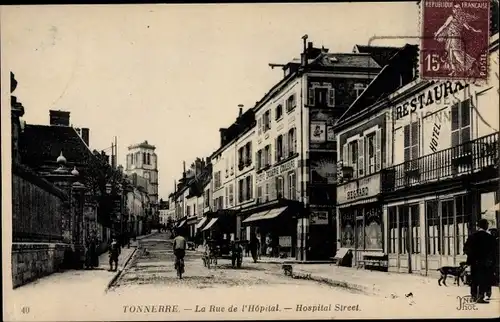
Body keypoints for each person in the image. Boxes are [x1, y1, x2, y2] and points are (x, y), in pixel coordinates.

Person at [464, 219, 497, 303]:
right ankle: (481, 296)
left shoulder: (472, 236)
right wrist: (491, 261)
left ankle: (473, 296)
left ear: (478, 226)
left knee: (474, 279)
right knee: (484, 278)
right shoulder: (490, 238)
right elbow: (494, 251)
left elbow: (466, 249)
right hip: (485, 262)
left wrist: (471, 258)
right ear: (486, 226)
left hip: (474, 262)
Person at [485, 228, 499, 300]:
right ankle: (488, 293)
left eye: (494, 232)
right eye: (492, 232)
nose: (493, 234)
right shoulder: (488, 241)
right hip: (490, 262)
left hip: (497, 262)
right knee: (488, 278)